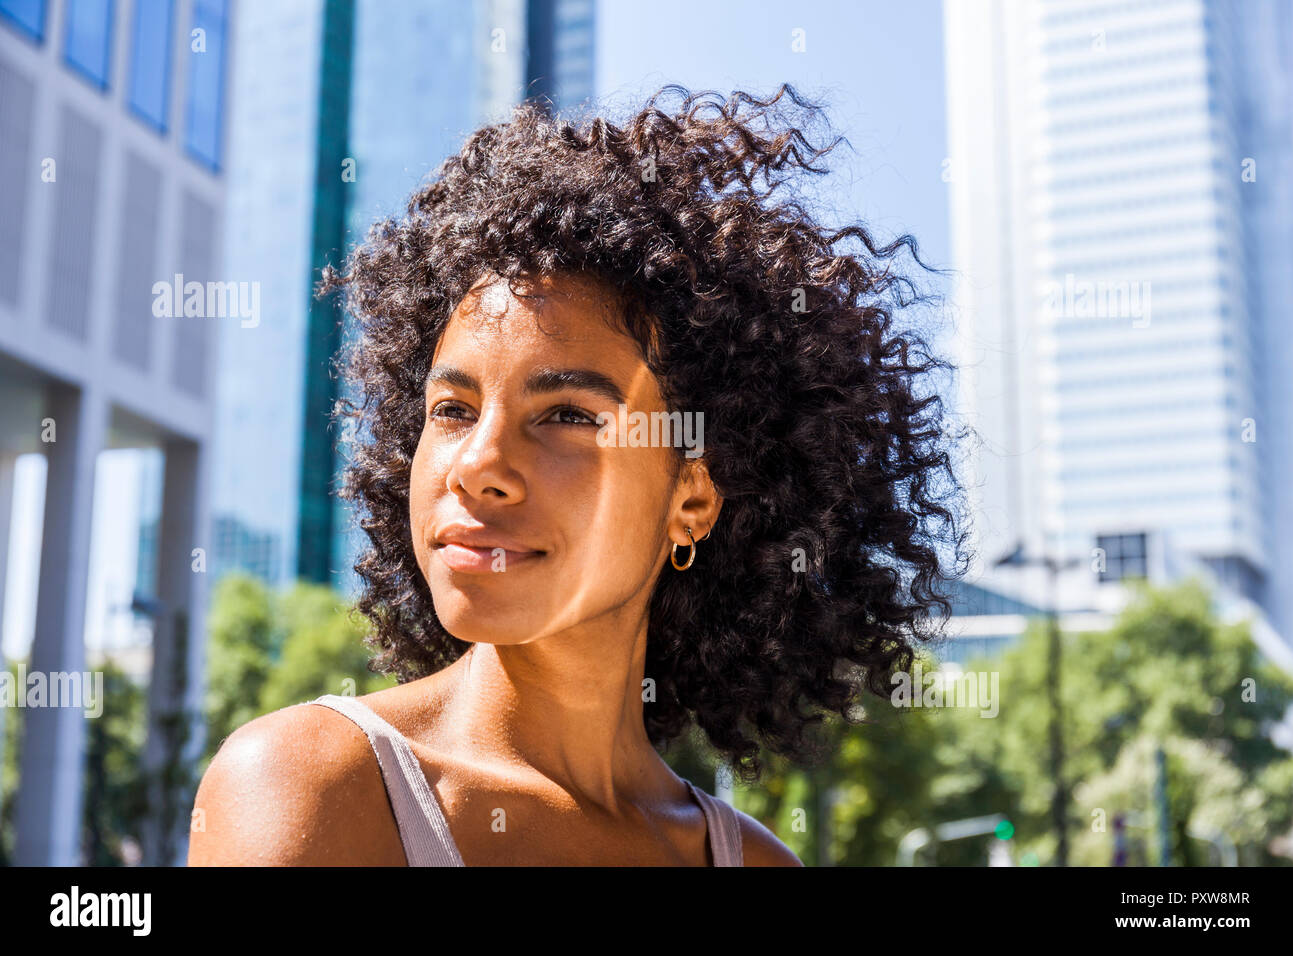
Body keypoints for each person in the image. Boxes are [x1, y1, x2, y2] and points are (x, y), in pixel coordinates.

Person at [188, 84, 965, 866]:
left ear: (691, 497)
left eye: (566, 416)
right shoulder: (313, 785)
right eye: (452, 410)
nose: (478, 467)